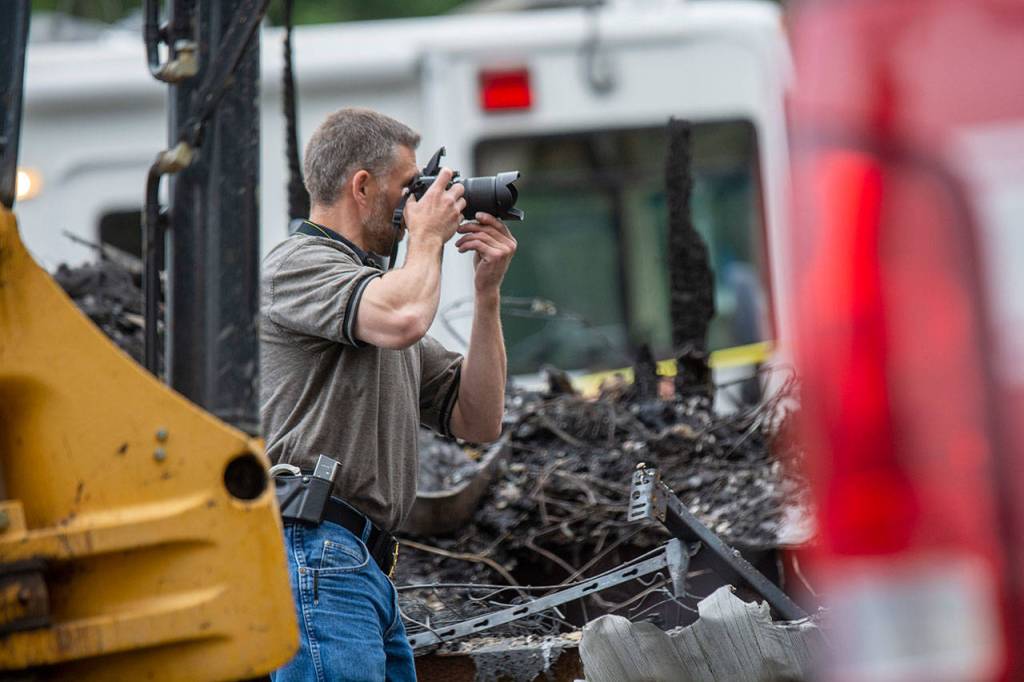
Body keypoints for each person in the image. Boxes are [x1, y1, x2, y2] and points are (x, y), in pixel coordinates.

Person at [260, 108, 515, 681]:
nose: (417, 203)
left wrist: (487, 295)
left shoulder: (379, 300)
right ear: (361, 186)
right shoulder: (299, 266)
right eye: (409, 188)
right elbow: (402, 316)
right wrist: (426, 237)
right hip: (314, 550)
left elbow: (478, 418)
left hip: (360, 565)